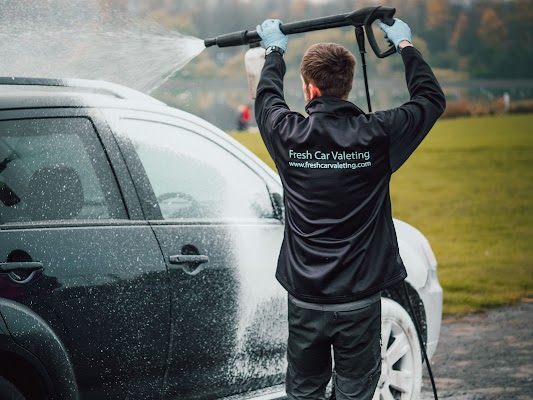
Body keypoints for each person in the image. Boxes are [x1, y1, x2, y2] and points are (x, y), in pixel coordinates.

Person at [254, 18, 445, 400]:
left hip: (306, 299)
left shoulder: (287, 132)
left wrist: (274, 52)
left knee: (305, 392)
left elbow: (266, 98)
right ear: (348, 85)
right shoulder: (378, 133)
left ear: (309, 88)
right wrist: (405, 45)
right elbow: (430, 100)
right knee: (355, 393)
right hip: (359, 301)